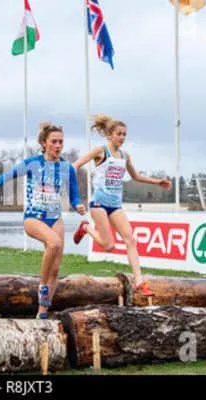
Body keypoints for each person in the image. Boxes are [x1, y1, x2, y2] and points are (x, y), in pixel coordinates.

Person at [0, 122, 85, 319]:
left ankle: (42, 313)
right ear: (44, 143)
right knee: (54, 243)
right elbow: (10, 173)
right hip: (33, 217)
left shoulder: (67, 168)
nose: (58, 146)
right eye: (54, 142)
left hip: (55, 218)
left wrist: (78, 205)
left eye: (61, 142)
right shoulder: (33, 163)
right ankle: (42, 286)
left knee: (55, 269)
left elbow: (74, 195)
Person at [72, 114, 172, 296]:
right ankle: (86, 228)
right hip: (99, 203)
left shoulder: (125, 156)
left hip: (115, 205)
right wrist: (70, 185)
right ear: (109, 135)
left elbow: (136, 176)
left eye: (124, 134)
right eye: (119, 134)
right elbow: (76, 165)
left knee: (130, 240)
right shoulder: (100, 151)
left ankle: (139, 282)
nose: (122, 137)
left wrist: (157, 182)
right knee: (109, 246)